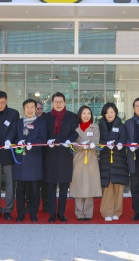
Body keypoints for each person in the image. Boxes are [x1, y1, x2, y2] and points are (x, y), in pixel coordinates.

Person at [43, 92, 79, 222]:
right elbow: (42, 133)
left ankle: (61, 213)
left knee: (64, 186)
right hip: (50, 155)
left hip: (65, 155)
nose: (58, 104)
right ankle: (52, 214)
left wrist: (69, 140)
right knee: (51, 186)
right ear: (52, 103)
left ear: (64, 103)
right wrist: (47, 140)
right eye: (56, 102)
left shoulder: (72, 117)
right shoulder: (46, 117)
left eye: (61, 101)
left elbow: (75, 132)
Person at [12, 99, 47, 222]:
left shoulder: (41, 122)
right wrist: (18, 142)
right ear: (24, 109)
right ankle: (20, 213)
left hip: (34, 160)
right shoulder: (18, 123)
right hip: (21, 160)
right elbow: (14, 137)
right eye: (27, 107)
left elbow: (43, 139)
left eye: (32, 107)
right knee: (20, 190)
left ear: (36, 109)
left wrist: (32, 144)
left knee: (35, 190)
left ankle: (33, 213)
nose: (30, 109)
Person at [0, 91, 20, 221]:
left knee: (10, 184)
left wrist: (8, 141)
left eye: (2, 102)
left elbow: (14, 130)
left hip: (8, 154)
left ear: (6, 101)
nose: (0, 105)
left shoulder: (13, 113)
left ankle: (8, 209)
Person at [70, 105, 101, 221]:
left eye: (88, 113)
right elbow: (73, 143)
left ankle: (88, 212)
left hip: (91, 158)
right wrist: (82, 145)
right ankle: (79, 212)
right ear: (80, 115)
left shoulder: (95, 126)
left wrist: (90, 144)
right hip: (78, 158)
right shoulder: (75, 127)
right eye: (84, 113)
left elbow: (96, 141)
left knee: (89, 185)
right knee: (79, 184)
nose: (86, 115)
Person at [98, 103, 128, 222]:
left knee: (118, 186)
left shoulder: (122, 126)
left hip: (119, 159)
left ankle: (117, 211)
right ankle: (106, 211)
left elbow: (123, 138)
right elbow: (99, 140)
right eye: (107, 112)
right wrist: (106, 143)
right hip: (106, 158)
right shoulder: (100, 126)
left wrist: (119, 143)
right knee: (107, 186)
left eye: (112, 112)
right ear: (104, 114)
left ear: (115, 112)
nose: (109, 114)